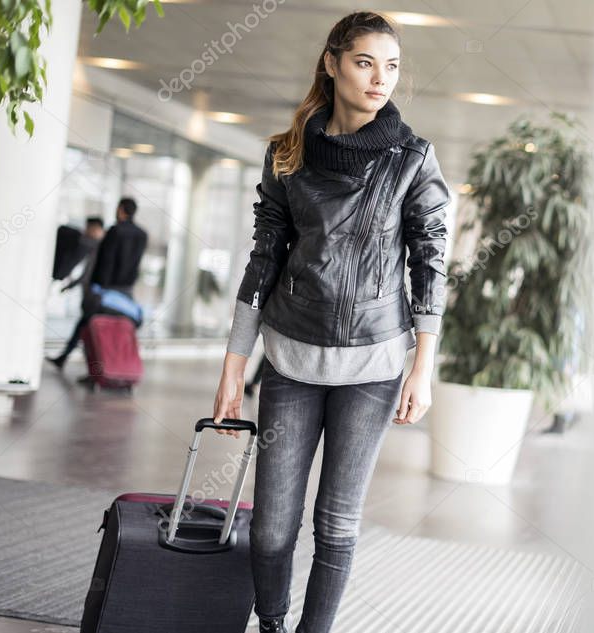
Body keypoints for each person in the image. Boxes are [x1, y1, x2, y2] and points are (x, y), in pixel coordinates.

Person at [212, 11, 451, 633]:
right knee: (269, 530)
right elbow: (262, 260)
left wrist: (422, 368)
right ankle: (270, 624)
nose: (381, 79)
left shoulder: (412, 159)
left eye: (392, 66)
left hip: (373, 364)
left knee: (337, 525)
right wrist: (233, 367)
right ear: (332, 62)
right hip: (291, 357)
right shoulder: (287, 155)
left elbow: (430, 263)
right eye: (366, 62)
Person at [47, 199, 147, 369]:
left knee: (88, 325)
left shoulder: (114, 231)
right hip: (127, 290)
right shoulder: (142, 235)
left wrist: (99, 287)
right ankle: (116, 366)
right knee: (118, 330)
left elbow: (106, 261)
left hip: (108, 290)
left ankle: (91, 367)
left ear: (121, 210)